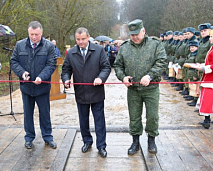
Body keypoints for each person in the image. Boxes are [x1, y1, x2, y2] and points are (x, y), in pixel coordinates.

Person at [114, 19, 167, 155]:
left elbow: (162, 62)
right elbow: (118, 65)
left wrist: (149, 75)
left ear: (143, 31)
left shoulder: (155, 44)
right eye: (132, 35)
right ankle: (135, 141)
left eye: (137, 34)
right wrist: (123, 77)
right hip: (133, 90)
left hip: (151, 88)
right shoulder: (125, 47)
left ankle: (151, 140)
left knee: (152, 116)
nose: (134, 37)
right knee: (134, 116)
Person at [61, 27, 111, 158]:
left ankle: (101, 146)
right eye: (78, 39)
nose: (81, 42)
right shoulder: (70, 53)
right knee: (83, 120)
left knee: (99, 120)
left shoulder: (99, 50)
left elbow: (106, 67)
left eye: (83, 39)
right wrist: (66, 80)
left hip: (97, 92)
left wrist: (101, 77)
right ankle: (87, 142)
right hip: (81, 92)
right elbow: (65, 70)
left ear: (88, 37)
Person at [10, 21, 57, 149]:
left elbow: (51, 64)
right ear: (28, 33)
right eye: (31, 34)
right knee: (28, 114)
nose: (34, 37)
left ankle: (48, 137)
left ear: (41, 33)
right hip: (26, 87)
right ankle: (29, 137)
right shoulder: (20, 45)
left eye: (37, 34)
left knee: (45, 113)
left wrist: (42, 76)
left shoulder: (48, 46)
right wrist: (22, 73)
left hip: (42, 87)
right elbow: (14, 62)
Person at [192, 29, 213, 129]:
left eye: (211, 36)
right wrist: (203, 65)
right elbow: (212, 63)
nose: (210, 38)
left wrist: (203, 68)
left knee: (208, 98)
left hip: (212, 78)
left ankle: (207, 120)